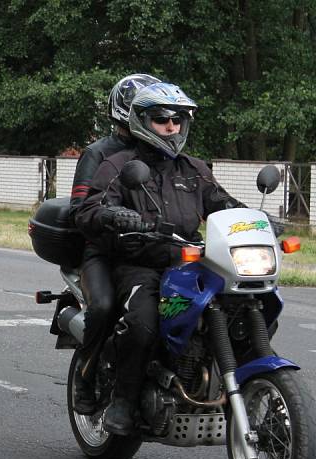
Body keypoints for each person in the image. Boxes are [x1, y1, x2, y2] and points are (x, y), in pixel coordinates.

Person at [74, 82, 242, 435]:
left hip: (185, 262)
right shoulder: (119, 165)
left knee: (241, 304)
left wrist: (259, 219)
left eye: (178, 119)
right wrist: (113, 214)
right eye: (162, 119)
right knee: (144, 321)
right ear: (141, 121)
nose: (171, 126)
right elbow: (88, 210)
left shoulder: (194, 169)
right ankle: (123, 399)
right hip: (138, 262)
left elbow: (223, 205)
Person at [68, 73, 160, 416]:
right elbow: (81, 211)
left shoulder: (157, 151)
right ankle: (85, 376)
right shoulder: (98, 153)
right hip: (102, 252)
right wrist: (114, 217)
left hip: (151, 250)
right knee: (104, 307)